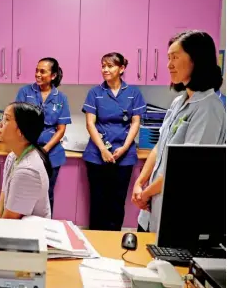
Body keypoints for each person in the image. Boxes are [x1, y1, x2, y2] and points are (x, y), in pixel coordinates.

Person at [132, 30, 226, 233]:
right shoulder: (178, 102)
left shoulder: (209, 108)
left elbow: (187, 168)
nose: (169, 65)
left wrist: (146, 193)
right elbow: (159, 146)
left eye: (175, 57)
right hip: (151, 209)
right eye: (168, 58)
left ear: (196, 60)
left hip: (177, 212)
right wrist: (139, 184)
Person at [82, 52, 147, 231]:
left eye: (110, 66)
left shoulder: (133, 93)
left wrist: (125, 147)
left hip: (124, 156)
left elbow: (136, 122)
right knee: (98, 200)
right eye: (103, 65)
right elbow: (90, 123)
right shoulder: (95, 92)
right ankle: (95, 240)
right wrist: (103, 149)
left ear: (122, 68)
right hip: (97, 155)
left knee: (117, 202)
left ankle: (113, 240)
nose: (105, 69)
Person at [15, 57, 71, 212]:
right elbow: (17, 121)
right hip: (26, 152)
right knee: (23, 195)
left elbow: (61, 129)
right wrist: (29, 148)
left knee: (46, 195)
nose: (38, 74)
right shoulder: (25, 92)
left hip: (51, 155)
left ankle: (45, 228)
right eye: (36, 70)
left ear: (53, 75)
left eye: (42, 71)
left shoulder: (61, 98)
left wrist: (44, 150)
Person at [0, 102, 52, 219]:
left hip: (28, 234)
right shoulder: (13, 157)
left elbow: (8, 222)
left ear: (21, 131)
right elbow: (0, 207)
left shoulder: (27, 171)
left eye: (6, 119)